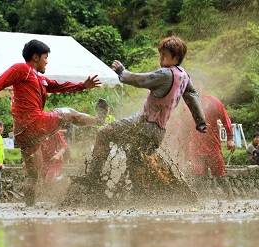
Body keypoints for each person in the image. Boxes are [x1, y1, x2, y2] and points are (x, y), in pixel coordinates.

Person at [0, 39, 109, 206]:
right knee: (70, 113)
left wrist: (82, 86)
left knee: (33, 175)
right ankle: (98, 119)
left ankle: (29, 208)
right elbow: (0, 82)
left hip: (23, 134)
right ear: (35, 57)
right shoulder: (22, 69)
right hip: (34, 122)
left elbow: (59, 86)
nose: (47, 61)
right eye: (45, 58)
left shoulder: (40, 79)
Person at [83, 36, 207, 182]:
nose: (160, 58)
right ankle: (145, 194)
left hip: (143, 124)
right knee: (135, 159)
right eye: (160, 54)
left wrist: (122, 72)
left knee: (104, 133)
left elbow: (141, 80)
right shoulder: (184, 76)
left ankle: (92, 180)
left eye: (164, 55)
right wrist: (200, 121)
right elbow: (192, 96)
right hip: (158, 132)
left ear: (176, 57)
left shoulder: (166, 73)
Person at [186, 94, 236, 178]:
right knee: (199, 177)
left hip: (213, 146)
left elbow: (225, 118)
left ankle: (225, 191)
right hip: (196, 149)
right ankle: (204, 191)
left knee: (220, 175)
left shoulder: (212, 101)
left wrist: (230, 138)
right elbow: (183, 126)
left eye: (198, 84)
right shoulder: (187, 104)